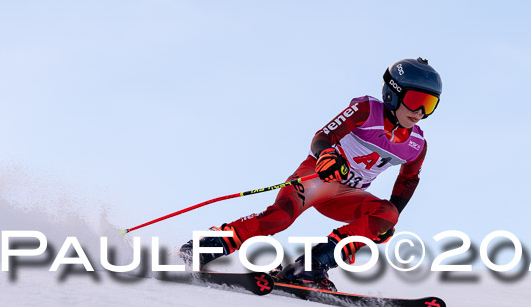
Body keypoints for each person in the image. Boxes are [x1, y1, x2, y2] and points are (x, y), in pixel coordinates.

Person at [180, 57, 442, 290]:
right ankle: (205, 247)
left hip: (346, 196)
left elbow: (409, 179)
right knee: (280, 217)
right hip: (319, 177)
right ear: (392, 94)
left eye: (429, 104)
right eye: (416, 101)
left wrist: (388, 221)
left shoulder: (417, 144)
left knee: (386, 215)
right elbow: (323, 136)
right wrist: (327, 155)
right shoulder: (366, 111)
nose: (420, 112)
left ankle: (311, 264)